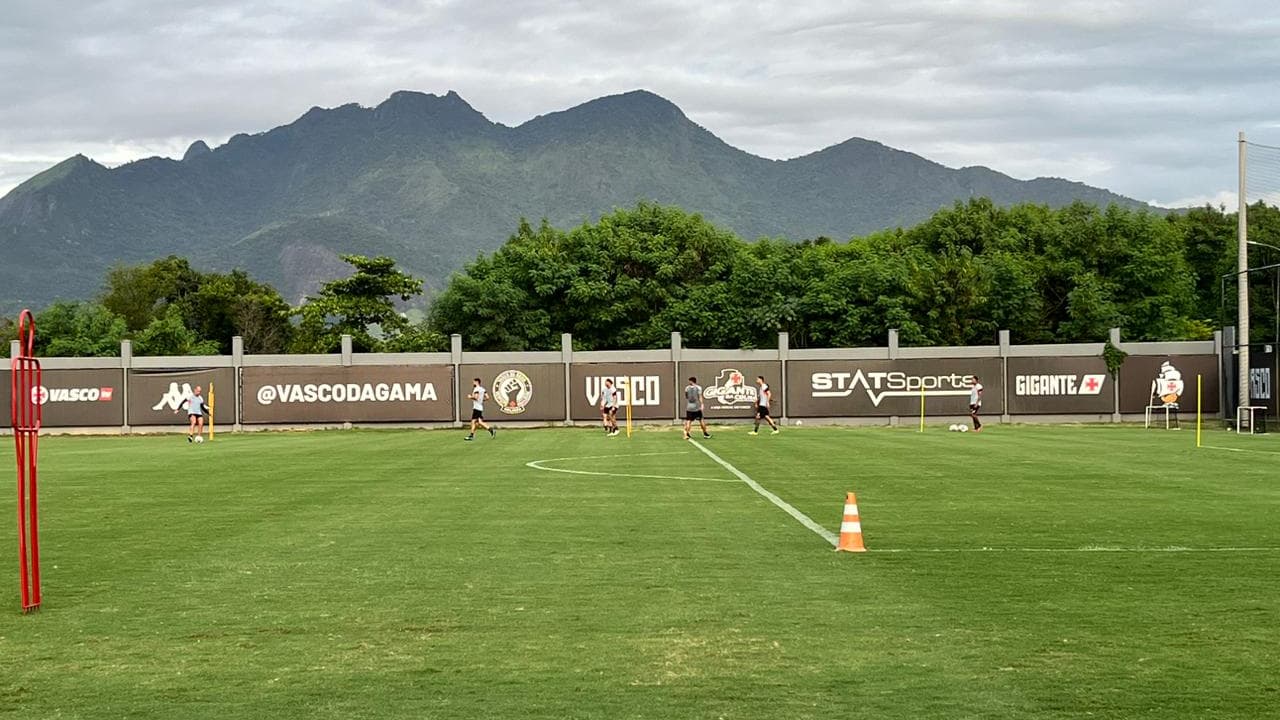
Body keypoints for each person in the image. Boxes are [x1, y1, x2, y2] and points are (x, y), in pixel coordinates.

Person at [683, 376, 710, 440]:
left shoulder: (687, 388)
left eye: (689, 381)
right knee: (701, 420)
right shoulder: (698, 388)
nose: (689, 382)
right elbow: (700, 396)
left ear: (691, 381)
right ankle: (705, 433)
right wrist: (702, 404)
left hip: (689, 406)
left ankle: (687, 434)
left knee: (688, 421)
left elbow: (686, 396)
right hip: (696, 406)